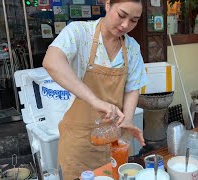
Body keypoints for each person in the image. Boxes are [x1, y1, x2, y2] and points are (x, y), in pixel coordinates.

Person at [42, 0, 148, 178]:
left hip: (115, 139)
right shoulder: (79, 32)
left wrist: (128, 119)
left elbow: (132, 87)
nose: (125, 25)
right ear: (107, 5)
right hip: (79, 142)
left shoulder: (132, 47)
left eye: (134, 20)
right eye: (121, 15)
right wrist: (95, 101)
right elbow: (51, 61)